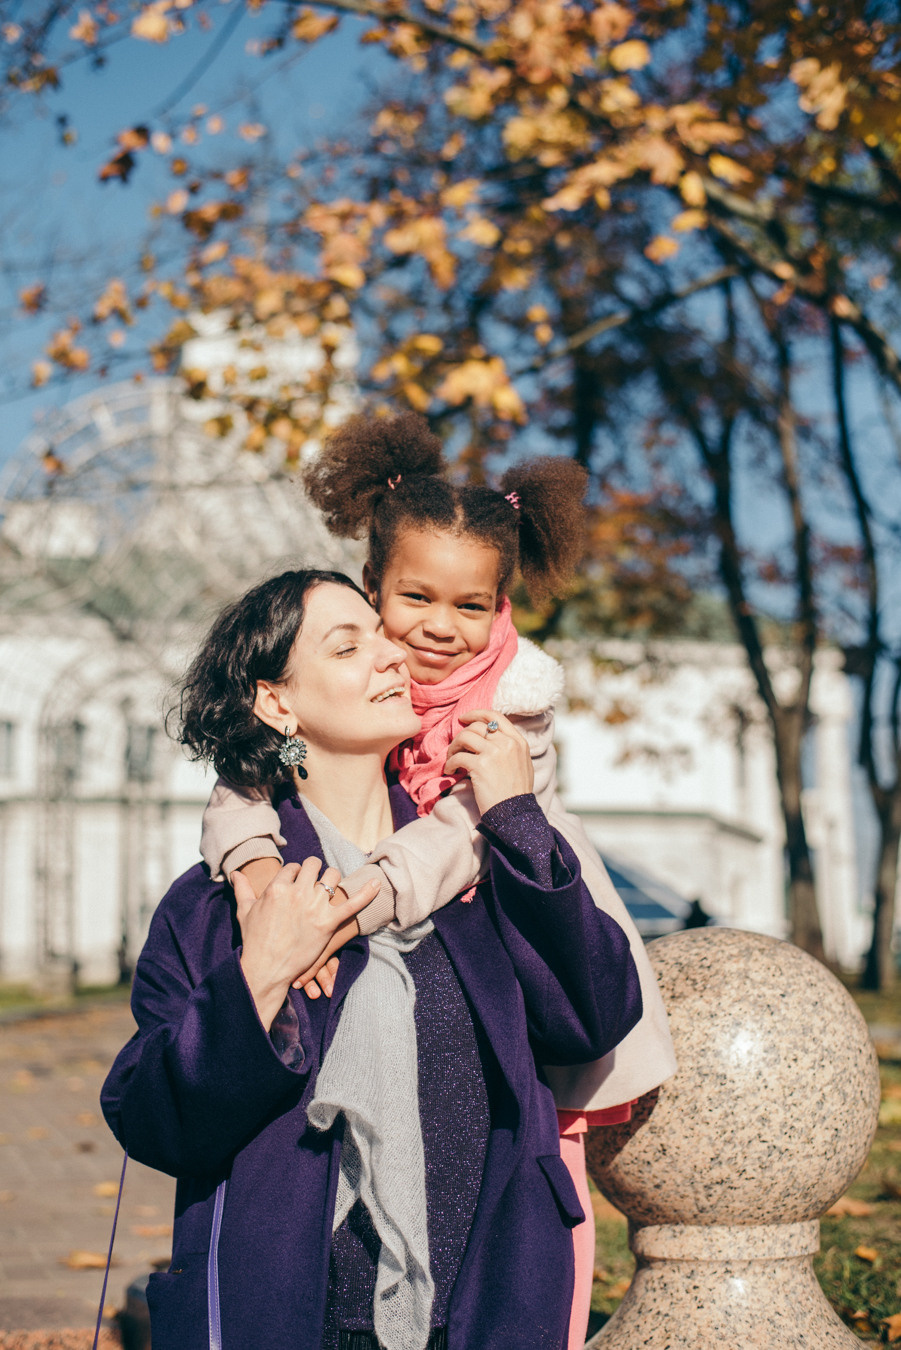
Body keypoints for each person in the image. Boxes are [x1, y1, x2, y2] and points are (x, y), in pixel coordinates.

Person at [199, 415, 677, 1347]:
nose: (440, 629)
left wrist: (347, 905)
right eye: (415, 597)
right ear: (371, 586)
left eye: (471, 607)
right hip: (408, 938)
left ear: (501, 609)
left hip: (523, 929)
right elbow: (253, 779)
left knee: (533, 1148)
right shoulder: (354, 679)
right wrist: (254, 863)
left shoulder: (509, 706)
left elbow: (456, 838)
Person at [101, 569, 642, 1350]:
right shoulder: (224, 904)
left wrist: (519, 819)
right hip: (289, 1319)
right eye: (346, 646)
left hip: (487, 1309)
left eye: (380, 636)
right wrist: (261, 974)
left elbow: (592, 1016)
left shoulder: (476, 865)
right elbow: (155, 1123)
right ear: (276, 703)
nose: (392, 655)